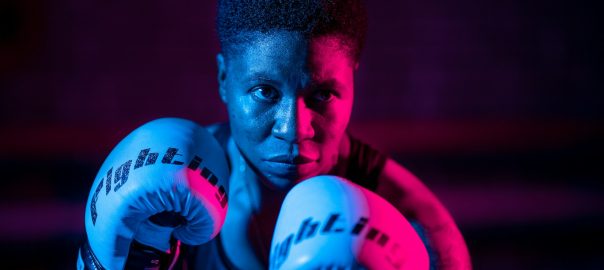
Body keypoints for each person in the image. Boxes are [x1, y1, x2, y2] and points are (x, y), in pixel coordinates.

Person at [78, 0, 471, 269]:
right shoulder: (160, 195)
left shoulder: (418, 226)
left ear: (353, 82)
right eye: (265, 91)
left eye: (322, 94)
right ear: (223, 79)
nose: (294, 128)